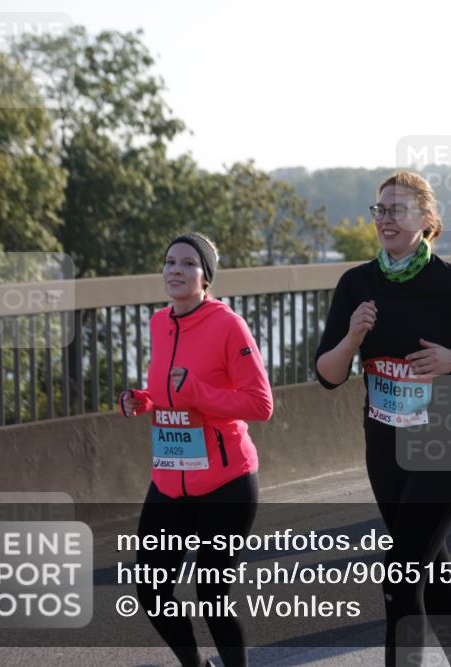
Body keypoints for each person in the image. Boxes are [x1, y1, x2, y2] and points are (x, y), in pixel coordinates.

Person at [315, 171, 451, 666]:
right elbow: (326, 374)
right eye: (380, 210)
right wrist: (352, 338)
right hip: (384, 446)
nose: (385, 219)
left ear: (426, 219)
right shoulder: (356, 283)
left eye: (397, 210)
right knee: (429, 568)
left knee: (399, 577)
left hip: (442, 442)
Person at [121, 232, 273, 667]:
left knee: (212, 596)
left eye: (188, 263)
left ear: (206, 276)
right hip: (170, 480)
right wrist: (143, 399)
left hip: (226, 483)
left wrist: (199, 393)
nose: (176, 270)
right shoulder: (158, 322)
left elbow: (260, 405)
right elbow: (166, 390)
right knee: (151, 591)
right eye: (170, 262)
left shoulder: (228, 325)